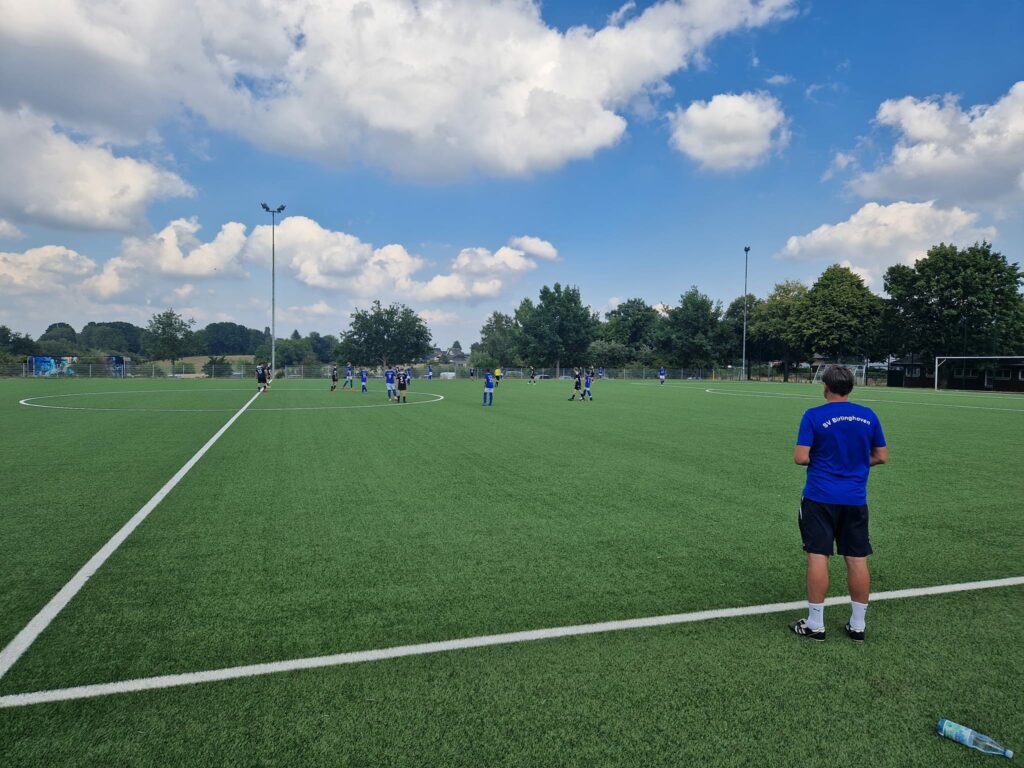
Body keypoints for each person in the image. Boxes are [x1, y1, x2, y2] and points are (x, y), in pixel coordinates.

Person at [789, 365, 887, 643]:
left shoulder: (813, 416)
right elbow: (880, 456)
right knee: (857, 559)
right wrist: (854, 463)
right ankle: (857, 626)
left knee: (818, 555)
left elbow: (800, 457)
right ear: (851, 388)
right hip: (855, 499)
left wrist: (825, 461)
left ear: (825, 387)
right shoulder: (869, 416)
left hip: (820, 496)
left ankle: (816, 625)